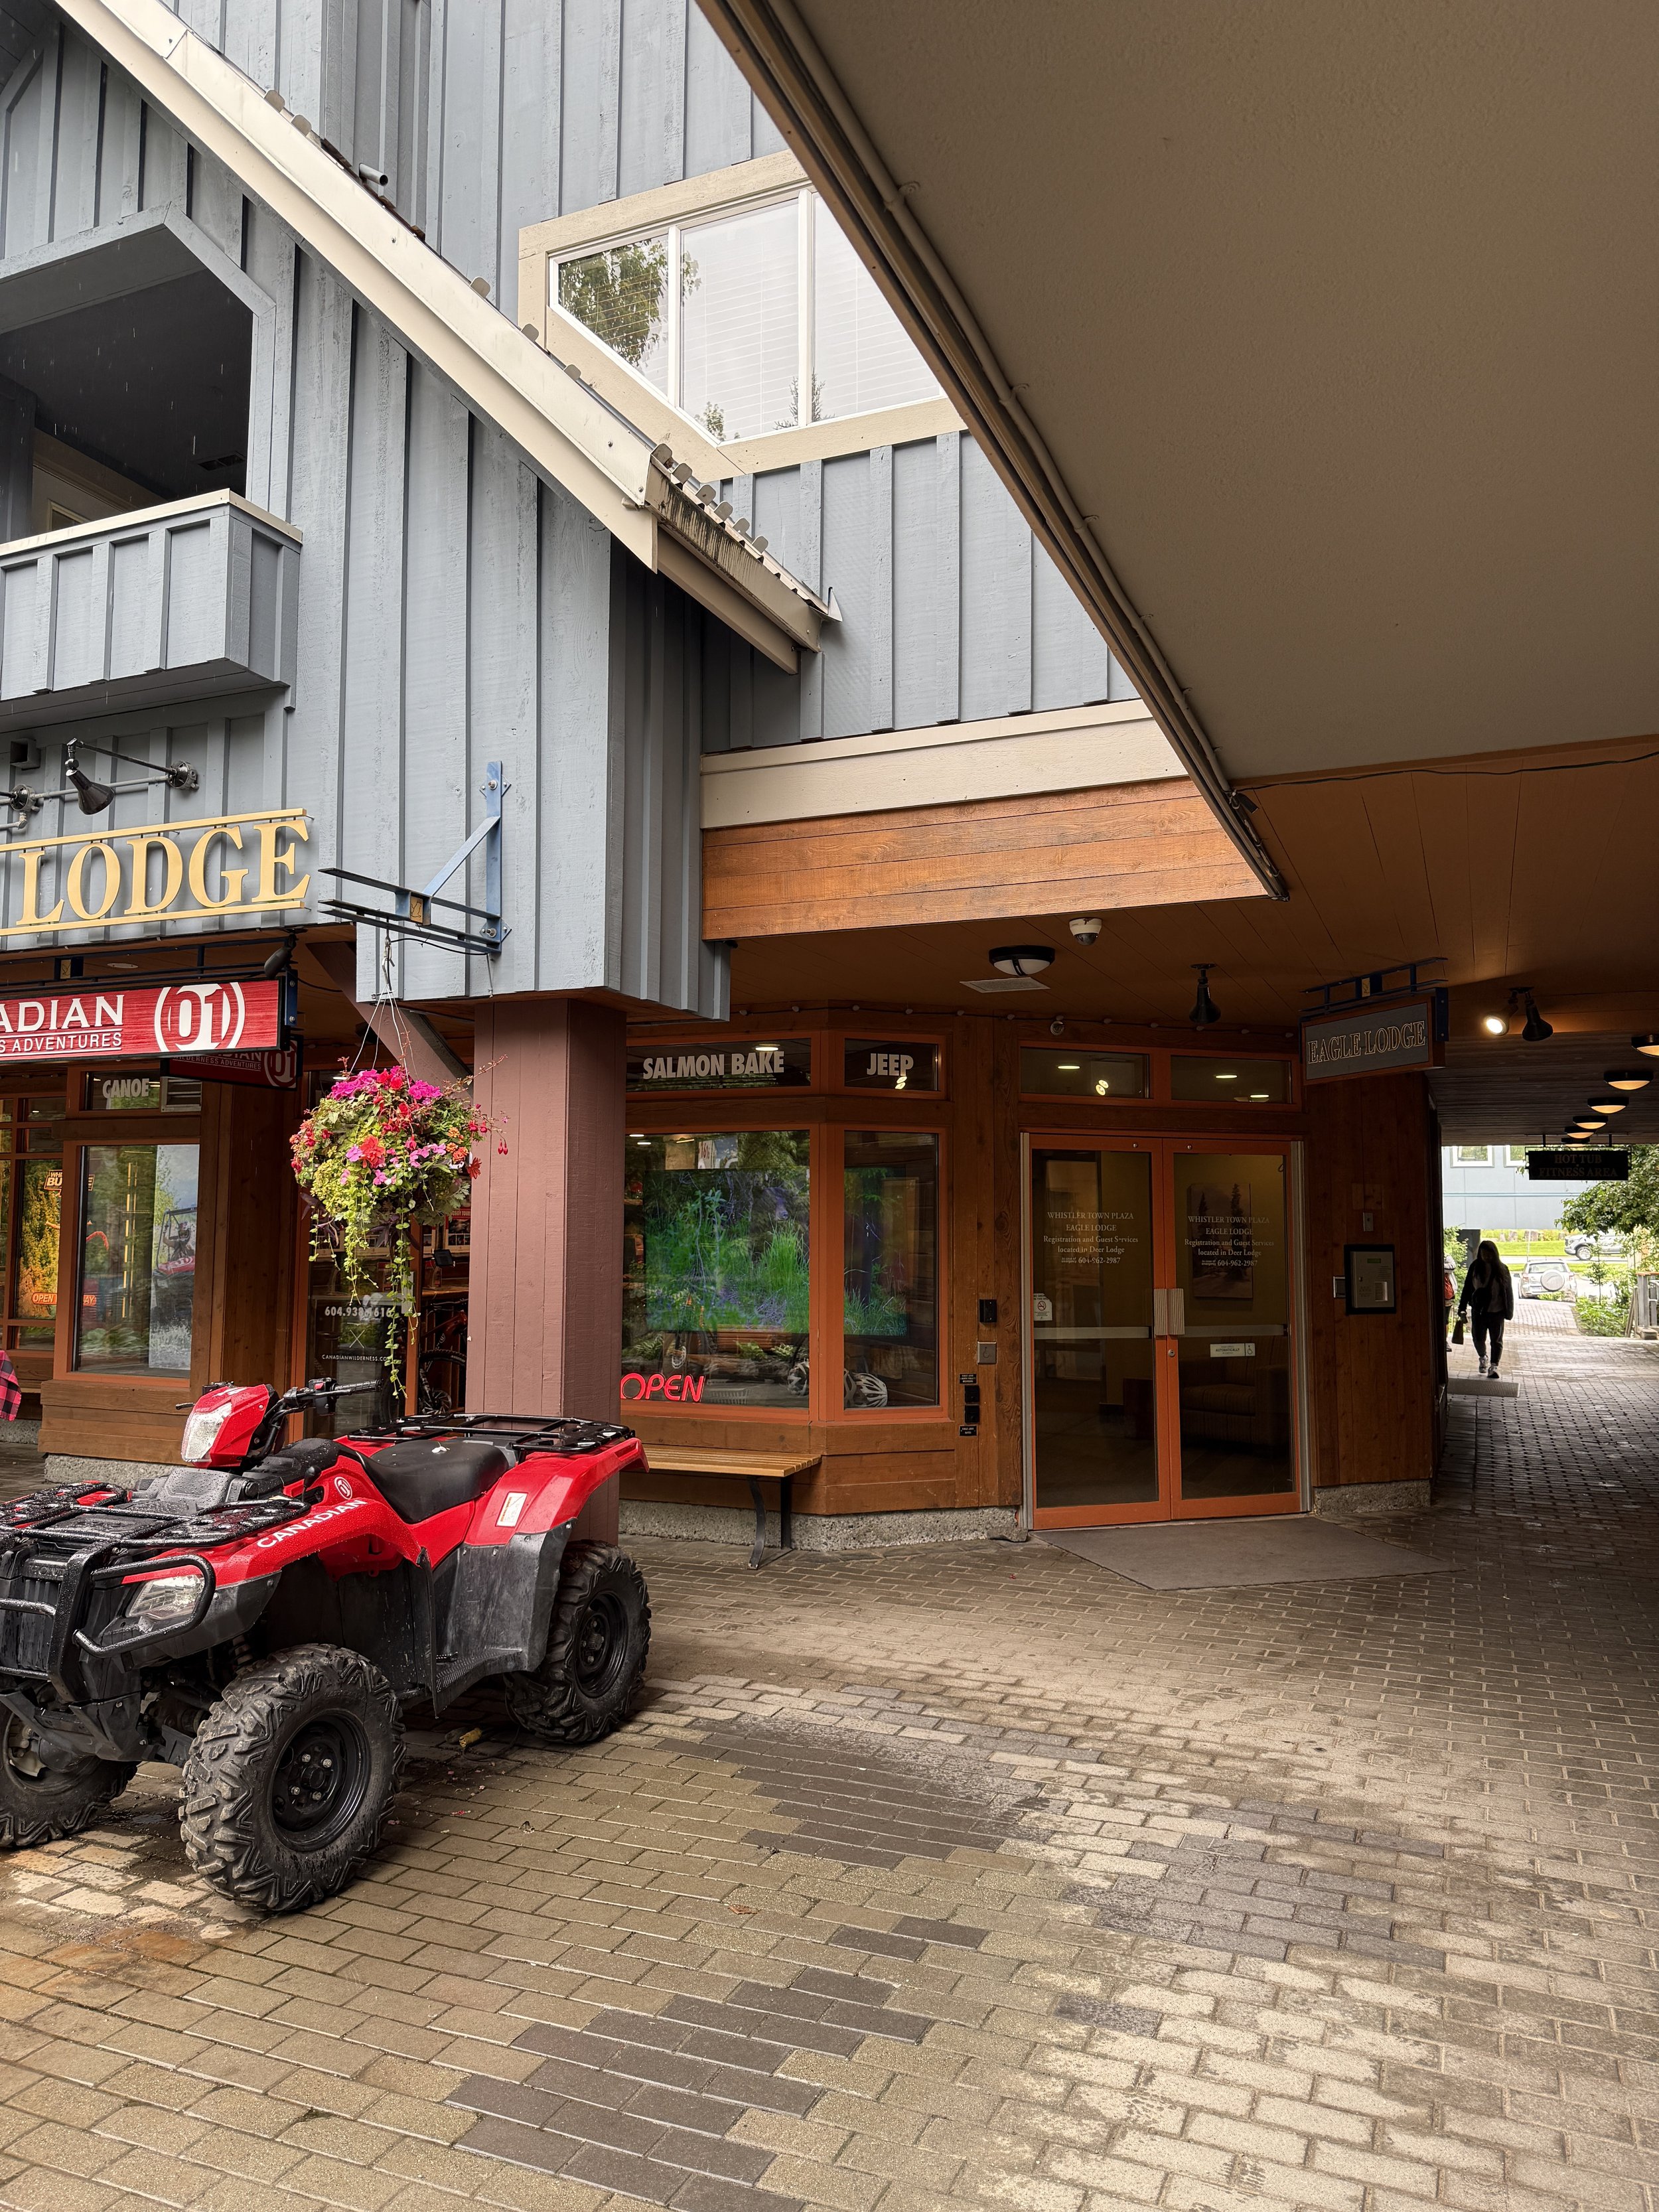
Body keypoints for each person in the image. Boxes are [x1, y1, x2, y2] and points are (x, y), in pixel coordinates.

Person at [1457, 1240, 1514, 1378]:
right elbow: (1467, 1288)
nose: (1487, 1257)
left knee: (1497, 1340)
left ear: (1495, 1254)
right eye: (1484, 1254)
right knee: (1478, 1338)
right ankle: (1483, 1357)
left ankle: (1494, 1366)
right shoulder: (1475, 1268)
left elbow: (1509, 1292)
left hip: (1497, 1311)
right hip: (1479, 1311)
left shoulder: (1502, 1269)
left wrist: (1509, 1311)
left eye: (1489, 1254)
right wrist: (1462, 1308)